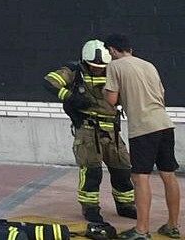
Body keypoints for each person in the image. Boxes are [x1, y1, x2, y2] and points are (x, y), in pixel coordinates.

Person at [46, 40, 137, 227]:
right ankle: (90, 208)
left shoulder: (113, 70)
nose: (98, 69)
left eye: (101, 66)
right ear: (85, 61)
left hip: (112, 129)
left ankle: (125, 205)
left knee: (122, 168)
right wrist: (71, 97)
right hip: (87, 130)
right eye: (93, 67)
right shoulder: (74, 70)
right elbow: (50, 82)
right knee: (91, 171)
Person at [104, 35, 179, 240]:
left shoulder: (115, 66)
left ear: (112, 50)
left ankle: (141, 230)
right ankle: (172, 226)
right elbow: (161, 93)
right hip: (164, 124)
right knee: (168, 175)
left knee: (140, 178)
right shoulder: (149, 65)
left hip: (143, 128)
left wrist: (106, 93)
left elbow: (111, 99)